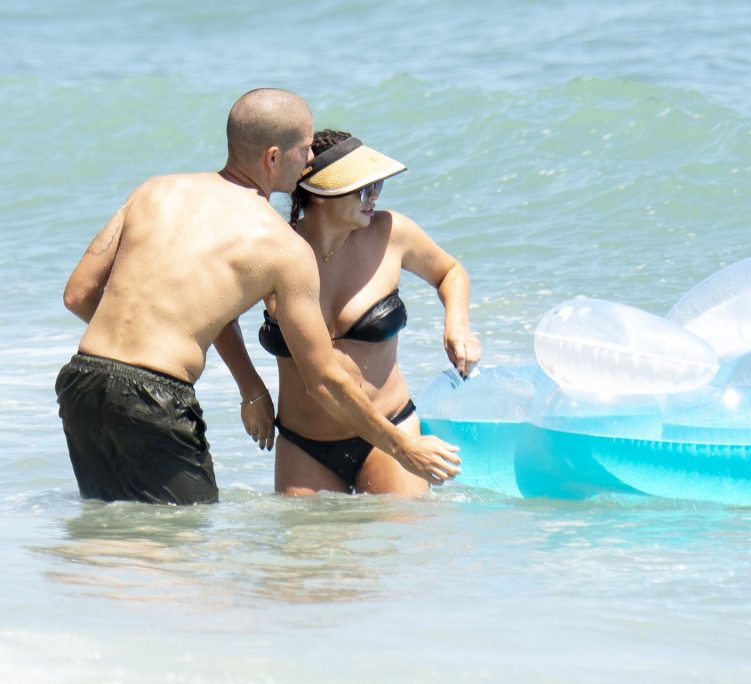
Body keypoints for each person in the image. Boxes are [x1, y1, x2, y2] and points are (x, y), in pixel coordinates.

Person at [55, 89, 461, 505]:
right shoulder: (279, 244)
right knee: (183, 534)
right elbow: (323, 380)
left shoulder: (155, 190)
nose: (310, 160)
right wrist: (403, 447)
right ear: (273, 158)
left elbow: (78, 294)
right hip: (157, 395)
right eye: (305, 149)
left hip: (81, 381)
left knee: (110, 529)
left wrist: (138, 348)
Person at [257, 129, 481, 497]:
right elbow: (216, 314)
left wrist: (458, 324)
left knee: (403, 534)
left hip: (392, 430)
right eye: (363, 189)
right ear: (322, 194)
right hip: (304, 444)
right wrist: (251, 391)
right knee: (303, 539)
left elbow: (450, 272)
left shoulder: (391, 233)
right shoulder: (274, 251)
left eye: (378, 185)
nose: (374, 196)